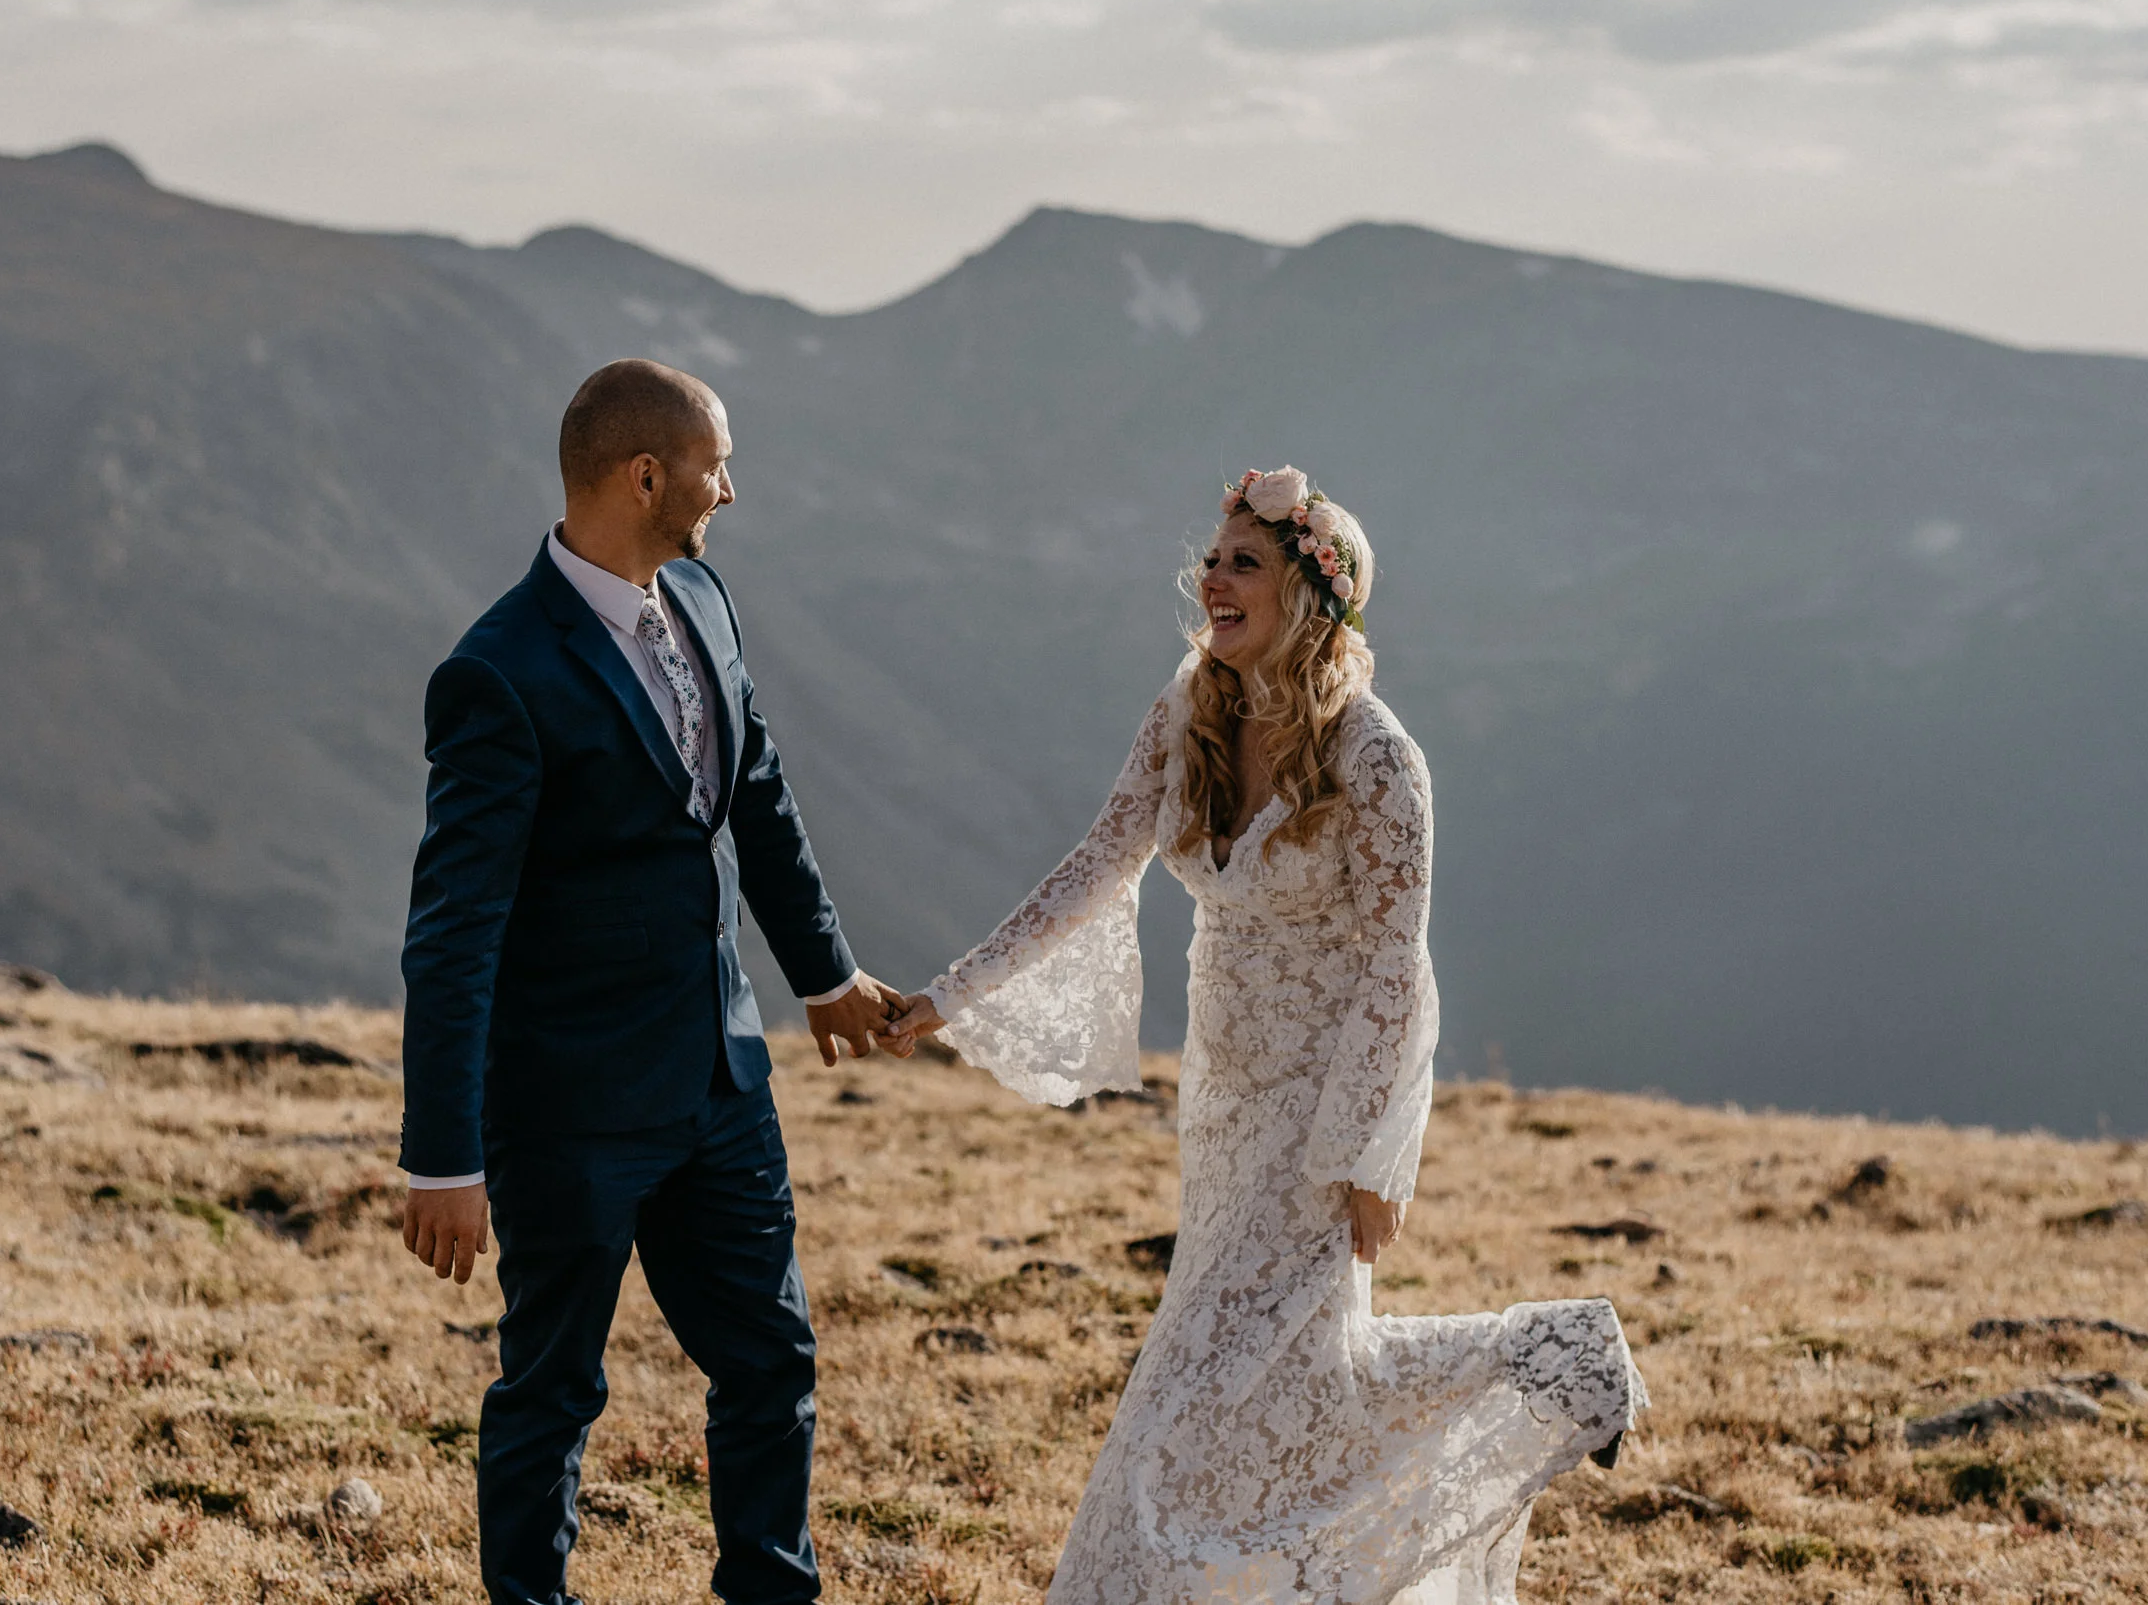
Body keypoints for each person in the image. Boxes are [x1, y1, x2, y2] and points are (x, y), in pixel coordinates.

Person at [882, 467, 1648, 1603]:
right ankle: (1563, 1354)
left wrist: (1369, 1156)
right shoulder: (1188, 709)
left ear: (1309, 595)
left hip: (1322, 1115)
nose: (1213, 578)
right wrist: (946, 997)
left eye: (1244, 561)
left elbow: (1396, 969)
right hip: (1224, 1102)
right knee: (1306, 1385)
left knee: (1198, 1394)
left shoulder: (1377, 757)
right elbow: (1096, 865)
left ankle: (1130, 1580)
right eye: (1212, 557)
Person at [396, 358, 903, 1605]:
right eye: (713, 467)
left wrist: (823, 972)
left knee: (772, 1362)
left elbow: (758, 793)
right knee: (553, 1389)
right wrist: (442, 1158)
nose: (729, 490)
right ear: (642, 476)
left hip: (720, 1082)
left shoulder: (706, 600)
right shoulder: (499, 671)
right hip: (570, 1109)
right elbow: (454, 929)